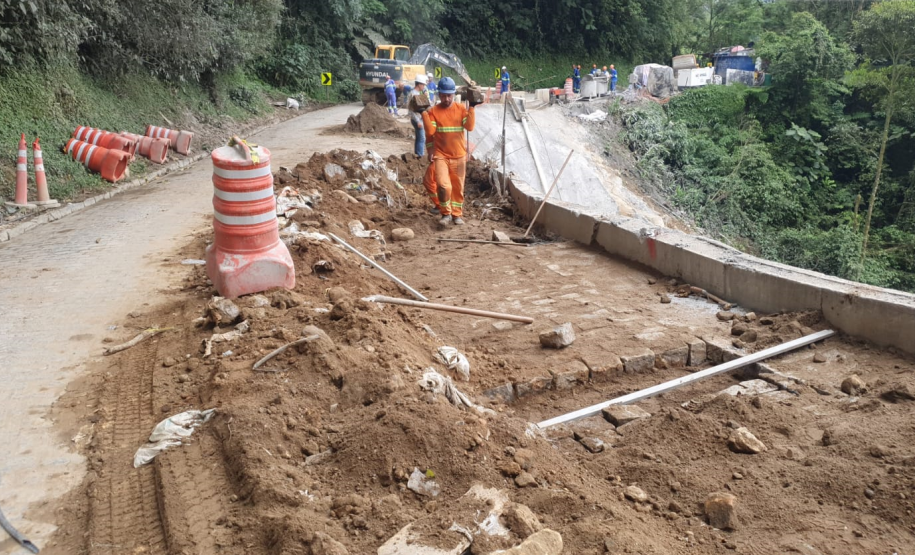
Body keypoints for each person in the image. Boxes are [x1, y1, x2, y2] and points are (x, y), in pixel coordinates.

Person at [422, 77, 478, 226]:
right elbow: (430, 131)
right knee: (443, 185)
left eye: (449, 95)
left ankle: (457, 215)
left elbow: (470, 127)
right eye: (443, 95)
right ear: (439, 94)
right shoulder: (434, 111)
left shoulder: (460, 109)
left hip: (459, 156)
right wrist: (424, 114)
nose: (446, 99)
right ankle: (445, 213)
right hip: (441, 155)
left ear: (454, 94)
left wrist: (472, 107)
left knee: (458, 187)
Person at [408, 74, 429, 157]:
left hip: (419, 119)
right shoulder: (413, 94)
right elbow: (410, 110)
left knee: (419, 137)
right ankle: (420, 156)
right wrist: (418, 121)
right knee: (422, 138)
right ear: (419, 84)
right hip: (417, 119)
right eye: (423, 84)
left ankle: (417, 154)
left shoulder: (417, 93)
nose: (424, 86)